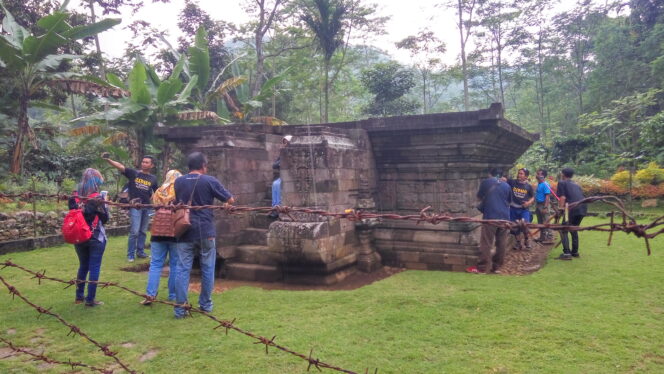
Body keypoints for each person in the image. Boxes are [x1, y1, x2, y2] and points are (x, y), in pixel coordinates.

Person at [173, 152, 235, 318]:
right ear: (203, 166)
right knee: (207, 267)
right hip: (205, 229)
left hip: (184, 229)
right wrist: (225, 204)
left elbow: (178, 202)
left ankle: (180, 308)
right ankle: (205, 305)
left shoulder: (179, 181)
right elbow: (230, 199)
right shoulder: (209, 181)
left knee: (182, 268)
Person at [102, 153, 158, 262]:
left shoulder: (153, 178)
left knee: (143, 231)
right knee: (135, 231)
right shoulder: (134, 173)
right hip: (135, 207)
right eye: (143, 162)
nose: (144, 164)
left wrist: (154, 199)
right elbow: (120, 166)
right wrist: (108, 159)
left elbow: (157, 191)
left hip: (147, 207)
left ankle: (140, 252)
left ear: (152, 165)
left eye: (147, 162)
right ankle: (130, 254)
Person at [69, 168, 109, 307]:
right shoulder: (97, 197)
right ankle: (90, 299)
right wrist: (104, 203)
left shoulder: (74, 196)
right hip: (95, 236)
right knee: (94, 267)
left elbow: (73, 212)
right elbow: (105, 218)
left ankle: (79, 297)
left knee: (83, 266)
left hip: (79, 235)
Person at [141, 169, 182, 305]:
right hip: (174, 231)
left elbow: (154, 207)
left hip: (158, 231)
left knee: (155, 264)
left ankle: (150, 295)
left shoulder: (159, 191)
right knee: (175, 264)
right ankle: (173, 294)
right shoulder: (178, 191)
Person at [466, 168, 511, 274]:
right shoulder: (507, 186)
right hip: (504, 217)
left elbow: (479, 197)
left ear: (490, 174)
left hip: (491, 216)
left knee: (486, 242)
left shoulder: (486, 182)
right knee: (502, 242)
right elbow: (509, 201)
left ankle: (482, 267)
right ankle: (497, 266)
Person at [556, 167, 587, 260]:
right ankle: (575, 252)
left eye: (561, 173)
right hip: (582, 208)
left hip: (571, 208)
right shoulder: (576, 185)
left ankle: (566, 254)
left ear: (563, 174)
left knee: (563, 229)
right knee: (573, 228)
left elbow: (563, 197)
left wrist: (560, 210)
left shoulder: (562, 183)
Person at [505, 168, 535, 250]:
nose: (519, 175)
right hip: (513, 209)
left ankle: (526, 239)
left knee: (524, 224)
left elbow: (533, 197)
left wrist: (528, 203)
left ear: (526, 176)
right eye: (519, 173)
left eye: (521, 174)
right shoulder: (512, 182)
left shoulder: (528, 186)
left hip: (523, 209)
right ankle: (518, 243)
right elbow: (504, 179)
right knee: (514, 226)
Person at [268, 135, 292, 219]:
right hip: (283, 177)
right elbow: (275, 165)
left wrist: (281, 164)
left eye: (287, 143)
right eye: (284, 143)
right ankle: (275, 207)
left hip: (291, 178)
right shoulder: (282, 153)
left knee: (278, 185)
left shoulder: (292, 152)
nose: (285, 145)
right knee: (275, 184)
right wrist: (280, 163)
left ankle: (279, 208)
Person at [534, 169, 554, 244]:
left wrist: (545, 207)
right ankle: (542, 237)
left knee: (546, 221)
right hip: (538, 204)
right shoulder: (539, 184)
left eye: (539, 174)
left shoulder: (545, 184)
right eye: (537, 173)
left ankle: (550, 238)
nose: (537, 175)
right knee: (540, 222)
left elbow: (547, 196)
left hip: (543, 205)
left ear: (543, 176)